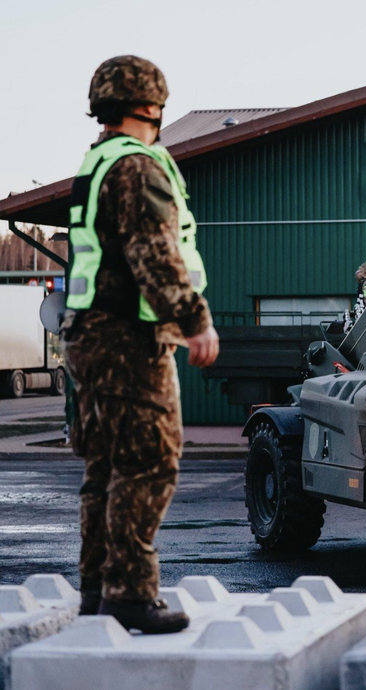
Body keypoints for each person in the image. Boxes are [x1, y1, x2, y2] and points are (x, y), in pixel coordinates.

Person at [61, 55, 219, 634]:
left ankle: (98, 589)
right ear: (152, 105)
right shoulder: (137, 167)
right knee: (150, 460)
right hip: (128, 337)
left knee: (106, 466)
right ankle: (129, 593)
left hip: (89, 335)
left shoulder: (98, 162)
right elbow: (153, 253)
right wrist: (196, 320)